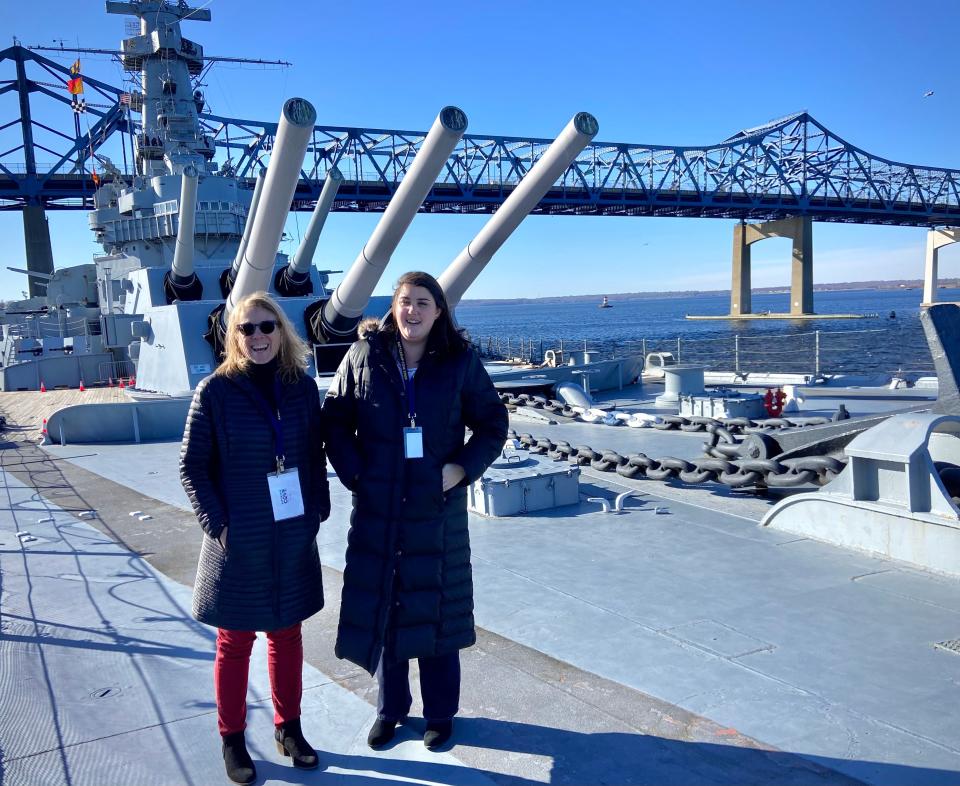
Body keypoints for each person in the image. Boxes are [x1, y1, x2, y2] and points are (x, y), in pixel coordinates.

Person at [322, 271, 508, 751]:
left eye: (423, 303)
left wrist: (462, 469)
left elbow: (492, 423)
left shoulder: (459, 362)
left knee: (437, 610)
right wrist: (356, 474)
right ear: (394, 306)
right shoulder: (364, 356)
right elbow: (336, 419)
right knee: (388, 609)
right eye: (405, 301)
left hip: (435, 510)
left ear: (439, 311)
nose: (412, 311)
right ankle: (391, 709)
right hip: (379, 507)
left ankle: (440, 714)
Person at [180, 292, 329, 785]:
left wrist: (317, 511)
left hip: (289, 532)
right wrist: (218, 525)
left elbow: (313, 455)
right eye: (248, 329)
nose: (259, 336)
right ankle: (232, 738)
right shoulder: (215, 392)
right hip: (238, 538)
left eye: (267, 327)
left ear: (282, 331)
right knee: (235, 640)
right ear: (233, 337)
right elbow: (193, 467)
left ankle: (290, 729)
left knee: (287, 634)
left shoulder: (302, 389)